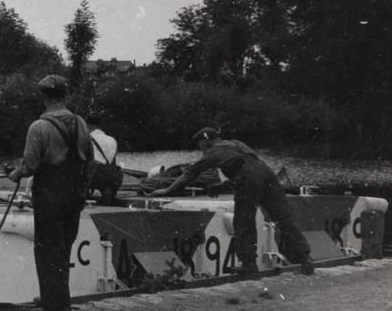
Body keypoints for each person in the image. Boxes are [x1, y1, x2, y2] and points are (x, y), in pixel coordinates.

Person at [151, 127, 313, 277]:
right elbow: (248, 167)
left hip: (250, 179)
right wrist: (222, 186)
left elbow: (189, 175)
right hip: (267, 174)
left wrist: (166, 191)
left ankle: (249, 265)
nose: (200, 148)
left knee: (243, 221)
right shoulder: (237, 143)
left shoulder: (213, 153)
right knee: (284, 218)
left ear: (207, 140)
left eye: (200, 143)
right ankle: (305, 259)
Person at [8, 75, 93, 311]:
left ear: (45, 97)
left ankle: (56, 306)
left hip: (50, 194)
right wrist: (83, 189)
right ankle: (53, 295)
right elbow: (90, 162)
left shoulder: (39, 127)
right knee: (64, 245)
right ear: (65, 96)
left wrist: (15, 174)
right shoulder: (81, 123)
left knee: (47, 249)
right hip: (75, 193)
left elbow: (31, 164)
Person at [86, 115, 122, 205]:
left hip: (96, 176)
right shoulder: (112, 139)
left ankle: (84, 192)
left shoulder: (87, 138)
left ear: (89, 126)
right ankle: (108, 189)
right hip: (115, 176)